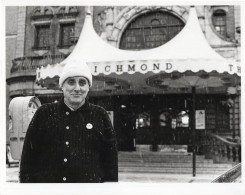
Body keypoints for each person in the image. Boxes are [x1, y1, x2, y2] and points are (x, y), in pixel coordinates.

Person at [19, 63, 118, 183]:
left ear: (88, 87)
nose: (77, 88)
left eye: (82, 82)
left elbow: (110, 164)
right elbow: (28, 158)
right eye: (71, 82)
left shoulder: (100, 115)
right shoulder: (44, 113)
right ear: (62, 86)